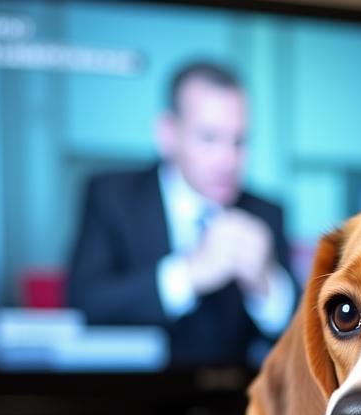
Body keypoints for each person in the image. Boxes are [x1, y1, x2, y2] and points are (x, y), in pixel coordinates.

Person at [68, 62, 296, 367]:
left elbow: (304, 335)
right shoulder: (111, 197)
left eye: (239, 141)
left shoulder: (265, 213)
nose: (228, 160)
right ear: (168, 134)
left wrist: (266, 286)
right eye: (209, 137)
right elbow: (86, 303)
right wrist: (189, 275)